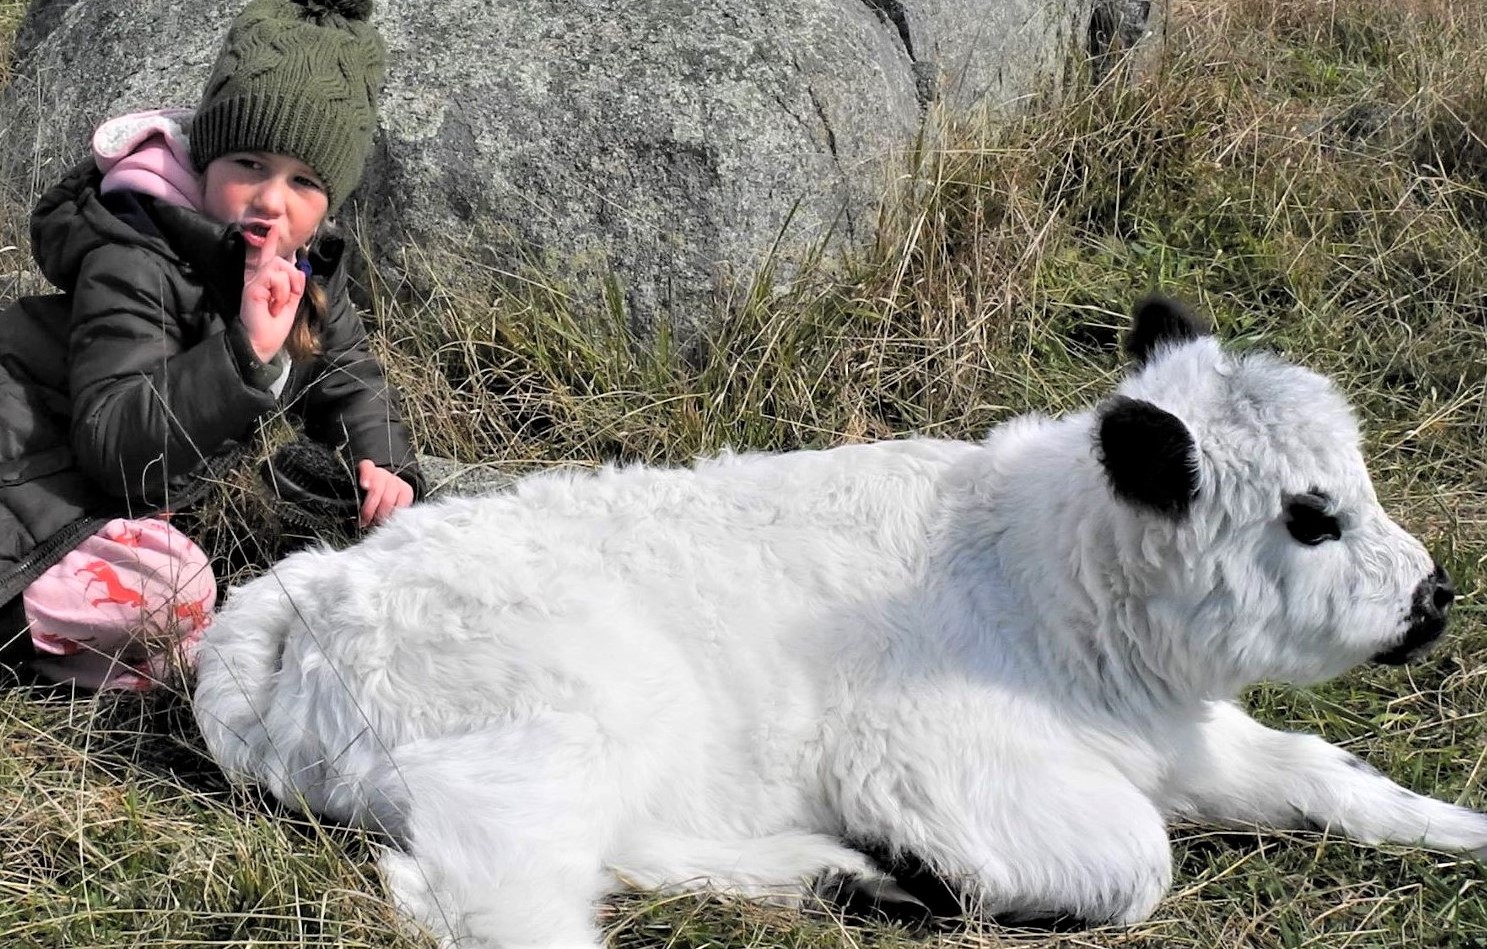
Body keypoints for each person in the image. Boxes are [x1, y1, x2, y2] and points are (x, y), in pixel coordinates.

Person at [0, 0, 422, 691]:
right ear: (205, 156)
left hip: (110, 495)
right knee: (177, 594)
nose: (271, 201)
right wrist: (243, 355)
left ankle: (106, 645)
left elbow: (346, 369)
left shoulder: (304, 260)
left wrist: (383, 461)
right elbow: (115, 450)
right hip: (32, 471)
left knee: (234, 592)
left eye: (304, 181)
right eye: (248, 162)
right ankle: (25, 619)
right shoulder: (136, 251)